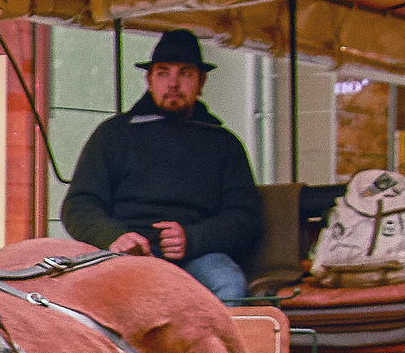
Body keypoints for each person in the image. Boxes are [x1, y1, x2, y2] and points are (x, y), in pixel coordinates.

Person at [61, 28, 262, 301]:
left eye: (186, 73)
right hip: (126, 254)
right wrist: (115, 237)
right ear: (149, 79)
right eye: (163, 72)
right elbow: (78, 205)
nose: (173, 83)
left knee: (228, 283)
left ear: (201, 81)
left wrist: (192, 239)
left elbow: (245, 217)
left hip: (196, 256)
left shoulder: (224, 143)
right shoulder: (113, 134)